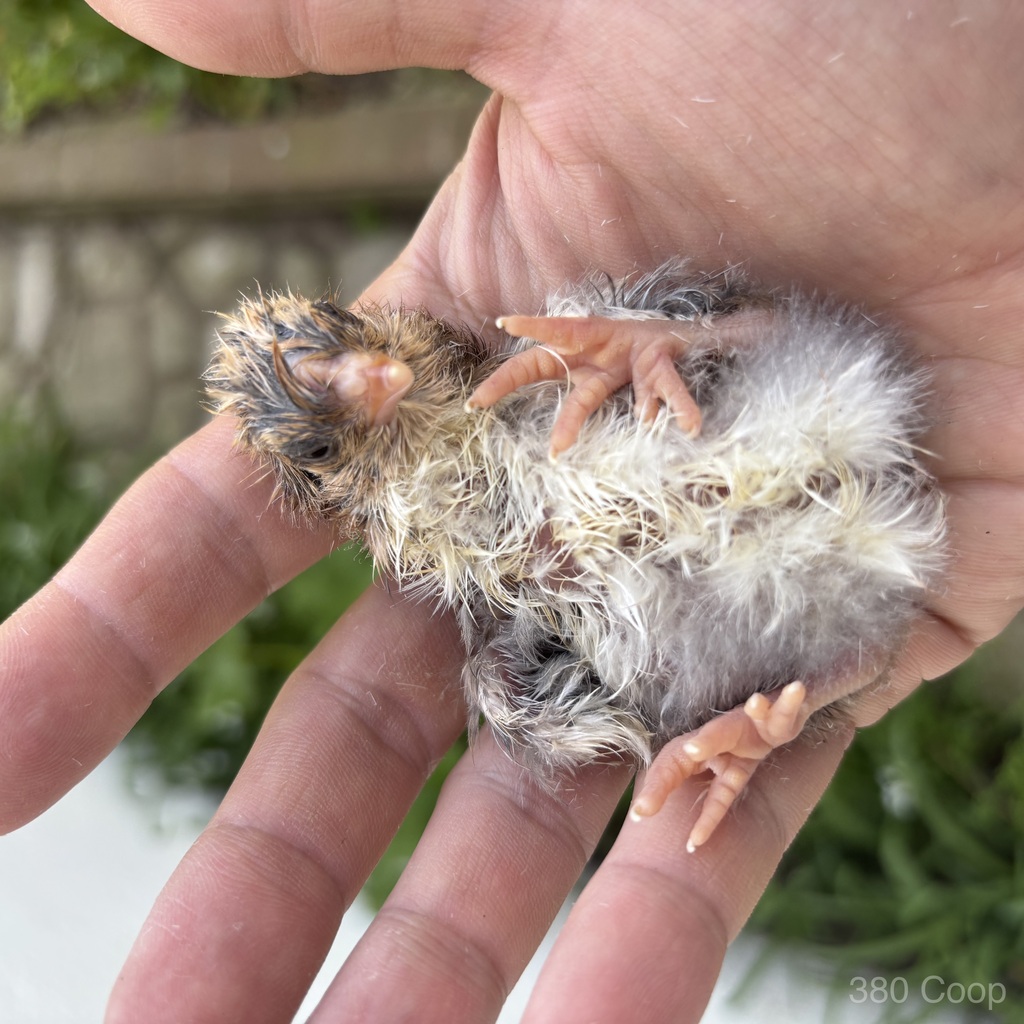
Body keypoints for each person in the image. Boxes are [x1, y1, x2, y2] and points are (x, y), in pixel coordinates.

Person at [2, 1, 1022, 1021]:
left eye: (344, 347)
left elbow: (786, 342)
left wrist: (634, 342)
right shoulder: (475, 580)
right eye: (330, 419)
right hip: (811, 593)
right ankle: (784, 706)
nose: (368, 378)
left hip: (811, 411)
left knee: (646, 321)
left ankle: (772, 682)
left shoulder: (533, 368)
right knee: (550, 692)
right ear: (326, 479)